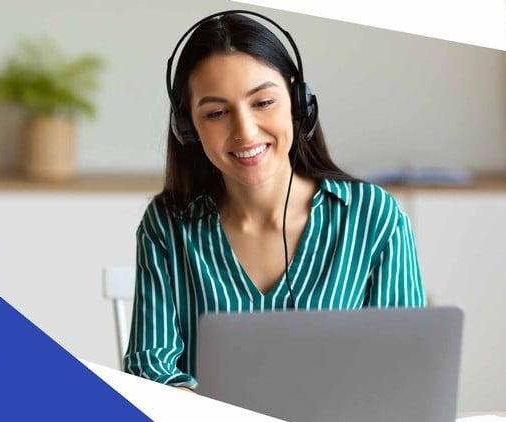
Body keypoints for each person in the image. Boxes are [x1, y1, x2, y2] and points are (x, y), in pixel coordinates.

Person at [123, 11, 427, 394]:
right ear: (189, 128)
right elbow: (150, 373)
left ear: (299, 102)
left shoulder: (373, 218)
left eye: (263, 102)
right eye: (216, 113)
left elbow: (402, 372)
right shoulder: (167, 225)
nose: (245, 132)